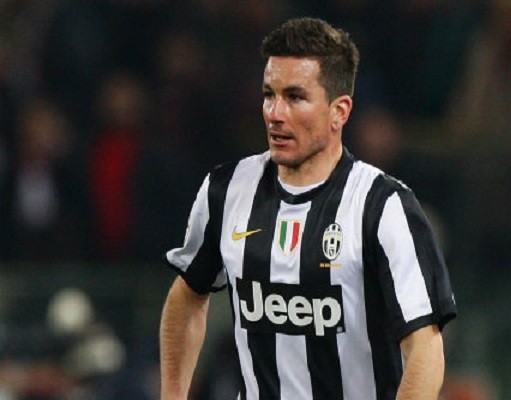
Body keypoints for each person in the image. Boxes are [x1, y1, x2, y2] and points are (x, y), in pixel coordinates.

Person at [159, 17, 456, 400]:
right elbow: (186, 297)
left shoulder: (384, 207)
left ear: (340, 111)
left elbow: (425, 351)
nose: (275, 112)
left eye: (295, 97)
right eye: (269, 94)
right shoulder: (226, 190)